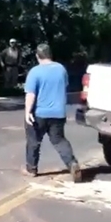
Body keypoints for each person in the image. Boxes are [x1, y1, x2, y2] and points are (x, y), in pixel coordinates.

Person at [22, 43, 82, 182]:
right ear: (51, 54)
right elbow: (64, 86)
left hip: (40, 114)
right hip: (58, 113)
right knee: (59, 140)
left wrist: (27, 112)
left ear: (37, 56)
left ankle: (31, 169)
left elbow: (30, 94)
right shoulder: (61, 69)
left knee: (34, 141)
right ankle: (72, 163)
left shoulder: (35, 72)